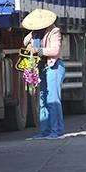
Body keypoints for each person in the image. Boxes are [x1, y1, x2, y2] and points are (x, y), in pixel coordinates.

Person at [22, 9, 66, 139]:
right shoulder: (34, 33)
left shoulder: (54, 31)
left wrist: (39, 50)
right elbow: (24, 42)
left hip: (54, 67)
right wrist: (30, 37)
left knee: (53, 100)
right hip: (41, 69)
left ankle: (57, 131)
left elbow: (55, 50)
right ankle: (45, 131)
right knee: (43, 100)